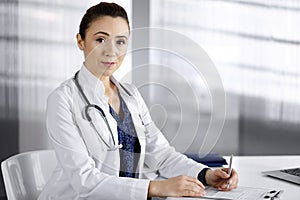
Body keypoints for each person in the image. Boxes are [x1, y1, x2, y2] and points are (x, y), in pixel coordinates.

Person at [38, 2, 238, 200]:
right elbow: (85, 180)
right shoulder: (63, 99)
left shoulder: (131, 95)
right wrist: (156, 188)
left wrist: (206, 175)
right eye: (100, 40)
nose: (111, 51)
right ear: (80, 41)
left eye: (120, 41)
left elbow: (162, 156)